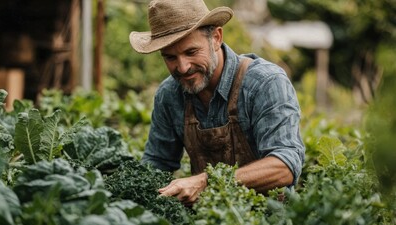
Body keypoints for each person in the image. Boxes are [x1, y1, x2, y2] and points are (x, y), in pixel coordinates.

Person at [129, 0, 305, 206]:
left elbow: (284, 166)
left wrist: (206, 182)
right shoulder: (169, 95)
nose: (183, 67)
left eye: (191, 52)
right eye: (170, 57)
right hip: (207, 223)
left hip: (269, 219)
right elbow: (157, 164)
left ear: (216, 38)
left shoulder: (265, 83)